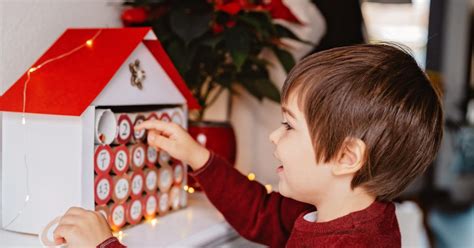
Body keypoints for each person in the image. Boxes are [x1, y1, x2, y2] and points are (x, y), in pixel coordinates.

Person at [52, 43, 444, 248]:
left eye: (289, 126)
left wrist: (103, 245)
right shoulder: (343, 214)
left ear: (346, 157)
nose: (275, 136)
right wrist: (199, 159)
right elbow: (264, 214)